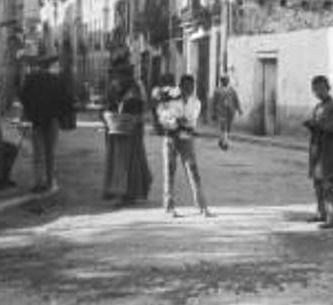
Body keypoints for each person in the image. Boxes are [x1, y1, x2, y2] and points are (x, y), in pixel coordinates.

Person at [158, 74, 213, 218]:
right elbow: (163, 117)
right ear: (180, 87)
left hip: (186, 139)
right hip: (170, 138)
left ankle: (202, 207)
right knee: (169, 172)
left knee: (193, 172)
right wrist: (175, 121)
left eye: (191, 87)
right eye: (186, 87)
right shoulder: (170, 98)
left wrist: (178, 121)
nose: (189, 90)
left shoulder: (196, 103)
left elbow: (191, 121)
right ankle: (169, 208)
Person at [18, 55, 73, 193]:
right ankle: (50, 182)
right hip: (52, 119)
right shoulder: (56, 80)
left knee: (38, 153)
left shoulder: (31, 79)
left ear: (39, 66)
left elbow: (23, 96)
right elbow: (65, 100)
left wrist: (30, 111)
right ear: (49, 66)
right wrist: (60, 115)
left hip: (37, 119)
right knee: (50, 152)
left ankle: (38, 182)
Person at [102, 58, 152, 206]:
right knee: (128, 160)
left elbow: (140, 107)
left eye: (119, 75)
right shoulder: (120, 87)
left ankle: (123, 193)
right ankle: (123, 191)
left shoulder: (134, 88)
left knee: (125, 161)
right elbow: (109, 105)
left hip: (128, 128)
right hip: (119, 126)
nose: (117, 78)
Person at [303, 75, 333, 229]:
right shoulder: (319, 107)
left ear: (328, 88)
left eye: (320, 89)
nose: (318, 92)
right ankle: (321, 213)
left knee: (328, 185)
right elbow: (319, 125)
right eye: (315, 90)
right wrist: (312, 125)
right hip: (318, 152)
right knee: (318, 185)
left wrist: (318, 126)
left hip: (329, 152)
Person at [211, 75, 242, 150]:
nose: (226, 82)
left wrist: (239, 109)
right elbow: (214, 102)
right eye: (224, 80)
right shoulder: (217, 91)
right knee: (223, 126)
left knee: (228, 128)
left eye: (227, 80)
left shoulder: (232, 91)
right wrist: (213, 112)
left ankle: (221, 139)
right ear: (221, 82)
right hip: (221, 111)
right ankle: (225, 143)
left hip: (230, 112)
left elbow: (236, 100)